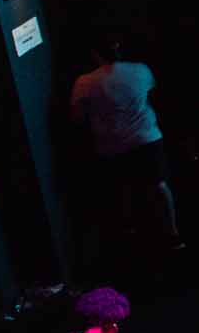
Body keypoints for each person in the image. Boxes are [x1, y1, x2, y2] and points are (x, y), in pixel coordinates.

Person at [70, 31, 181, 257]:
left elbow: (77, 118)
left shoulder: (85, 83)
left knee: (123, 191)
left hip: (111, 146)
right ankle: (173, 233)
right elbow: (155, 97)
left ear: (94, 54)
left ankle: (130, 238)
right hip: (147, 138)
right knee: (159, 185)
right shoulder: (141, 70)